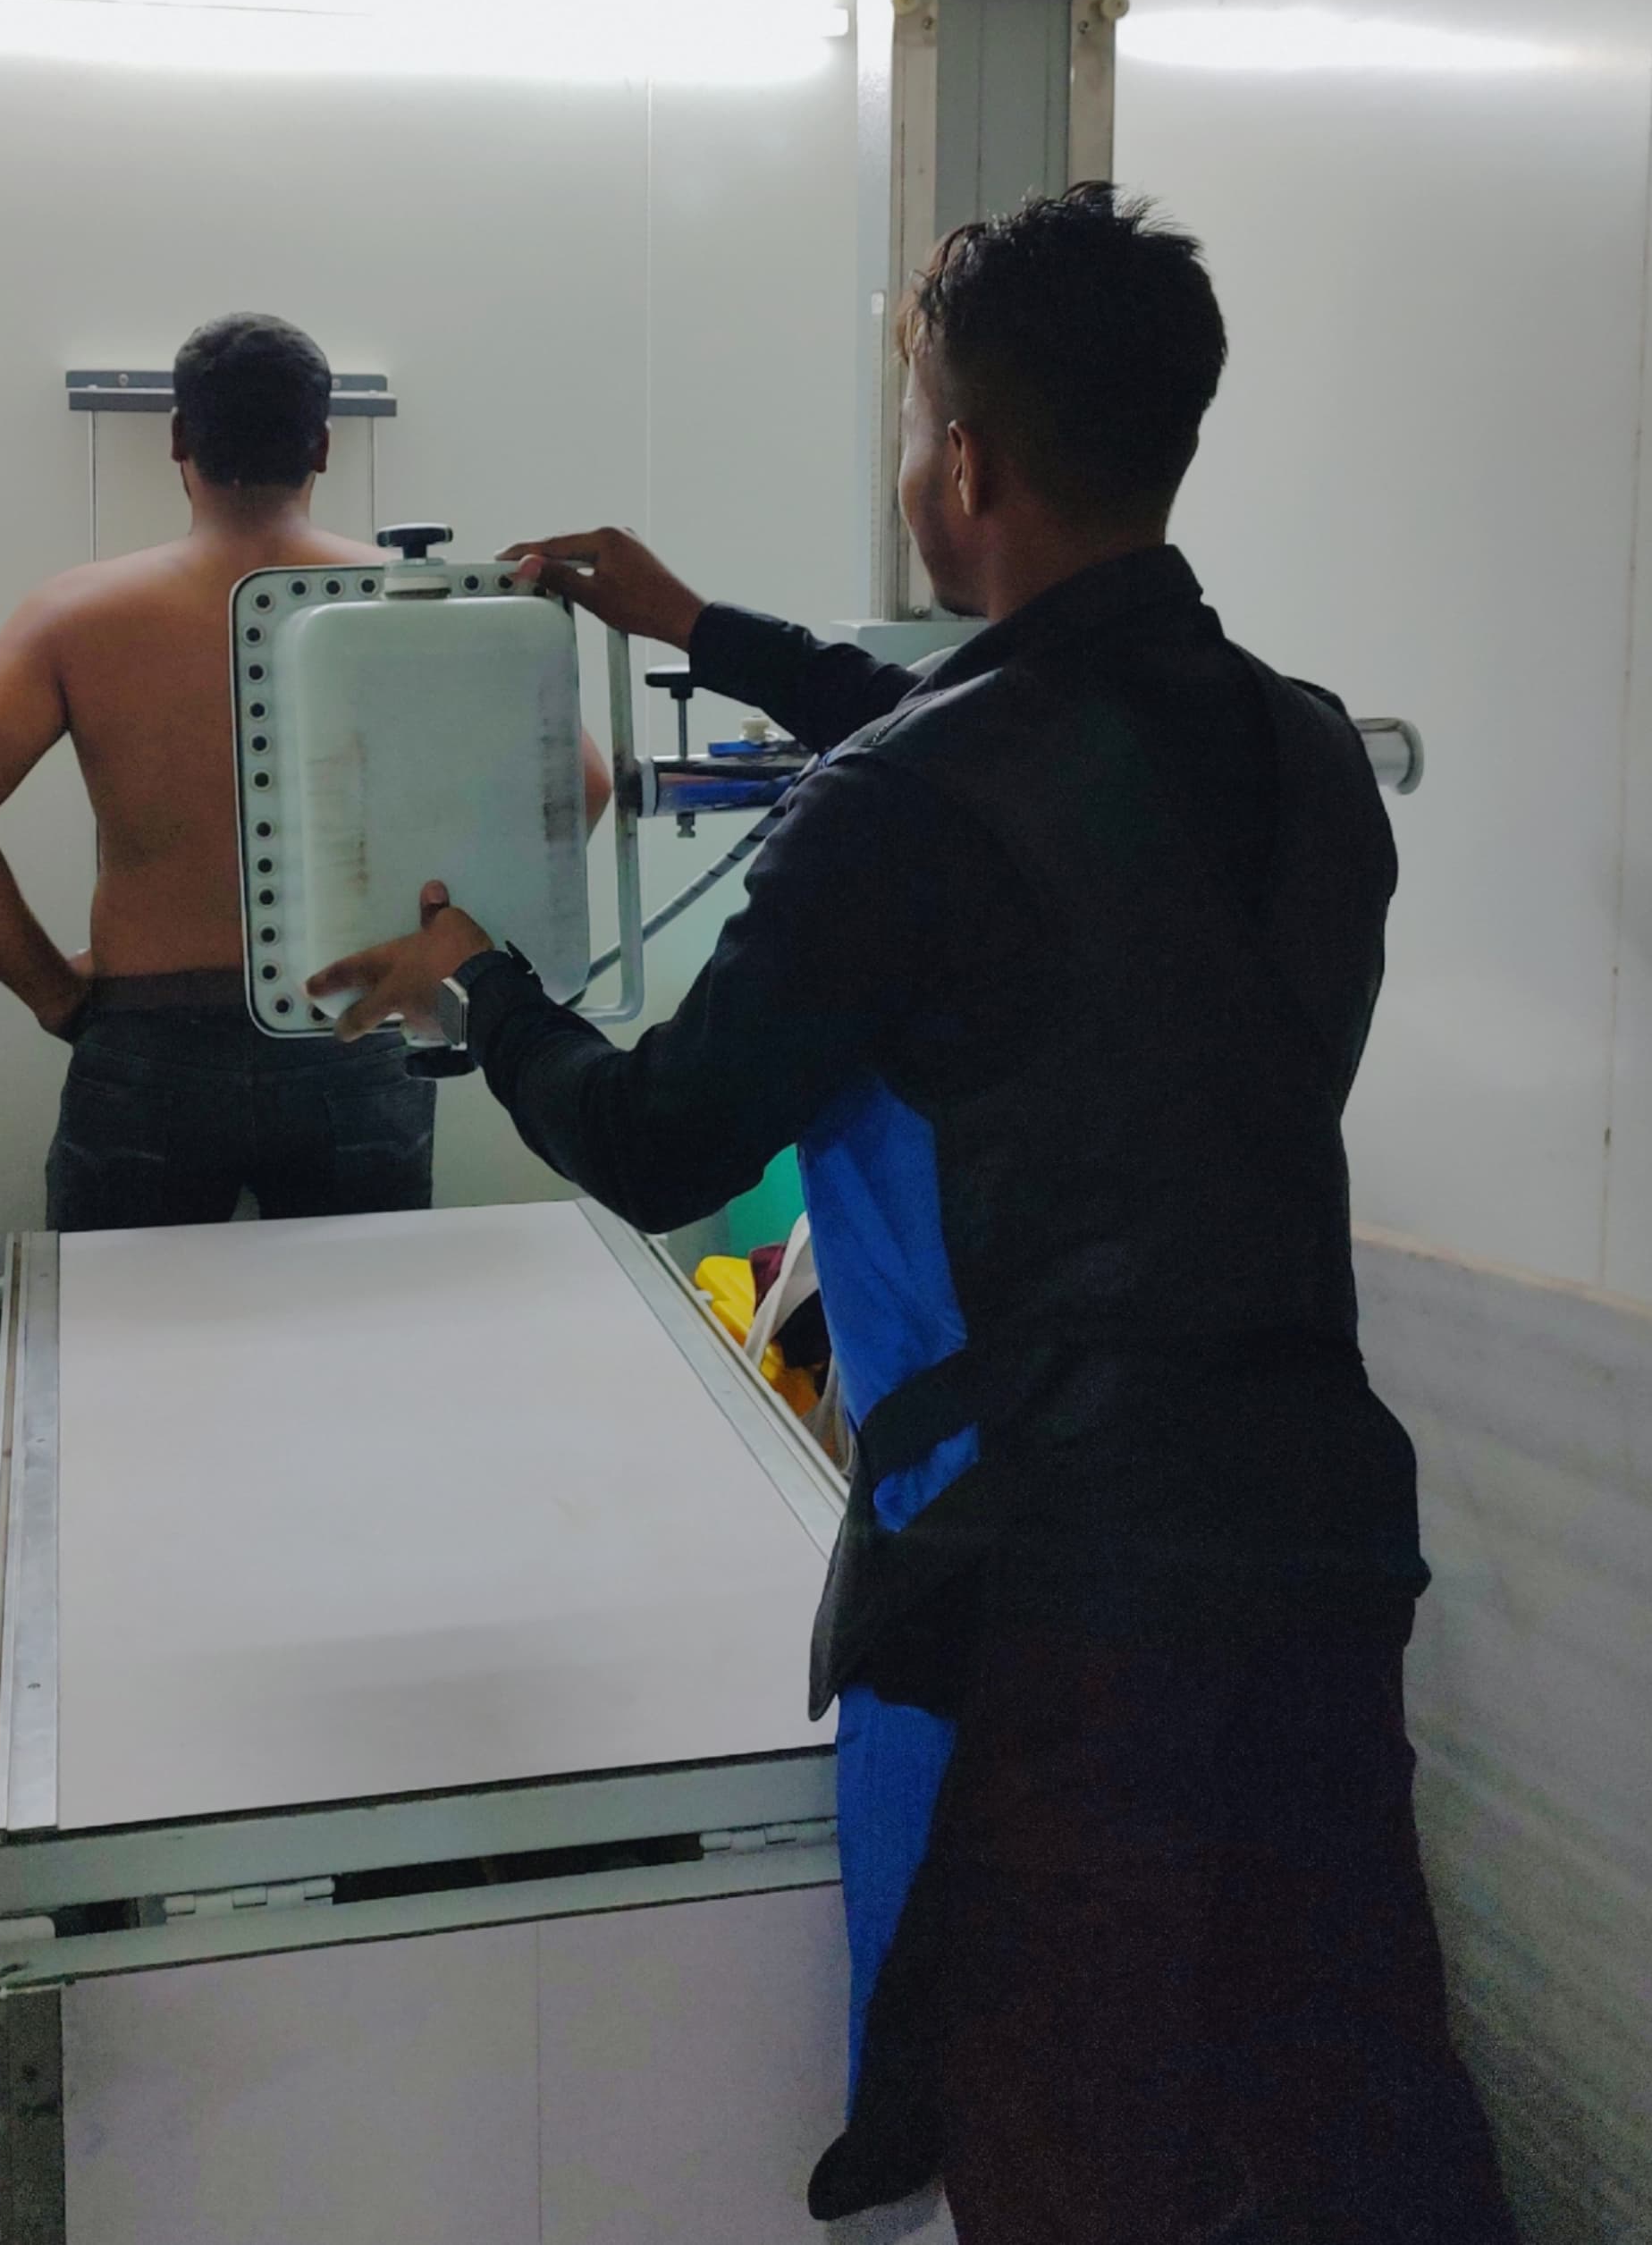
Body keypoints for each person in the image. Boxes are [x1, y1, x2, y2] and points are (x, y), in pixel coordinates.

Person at [310, 192, 1518, 2244]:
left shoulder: (906, 811)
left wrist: (484, 986)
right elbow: (1034, 761)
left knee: (1073, 2125)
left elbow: (663, 1136)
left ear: (958, 463)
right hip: (1314, 1527)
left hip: (1053, 1582)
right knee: (1331, 2093)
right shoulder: (1308, 752)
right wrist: (695, 625)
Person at [0, 312, 462, 1228]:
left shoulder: (76, 613)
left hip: (149, 1040)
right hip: (347, 1025)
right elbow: (578, 784)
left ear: (178, 437)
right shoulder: (414, 600)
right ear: (322, 446)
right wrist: (440, 951)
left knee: (125, 1322)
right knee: (359, 1321)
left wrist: (54, 996)